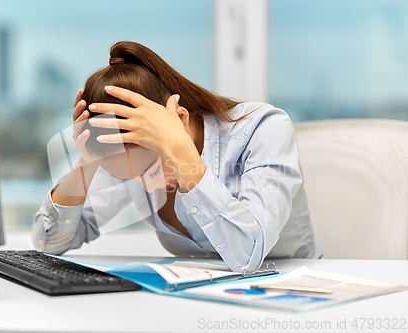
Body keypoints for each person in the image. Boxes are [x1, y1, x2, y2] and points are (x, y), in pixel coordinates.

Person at [32, 41, 322, 273]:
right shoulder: (129, 158)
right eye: (128, 177)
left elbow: (248, 253)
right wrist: (88, 159)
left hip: (290, 286)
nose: (146, 188)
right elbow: (50, 241)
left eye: (149, 169)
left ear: (180, 119)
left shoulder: (264, 129)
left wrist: (179, 149)